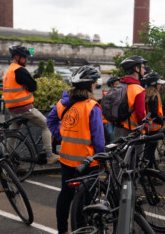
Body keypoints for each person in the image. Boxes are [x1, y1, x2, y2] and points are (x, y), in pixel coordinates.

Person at [46, 66, 105, 234]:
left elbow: (50, 121)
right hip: (87, 161)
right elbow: (98, 139)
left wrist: (62, 134)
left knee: (65, 195)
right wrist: (102, 159)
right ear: (90, 85)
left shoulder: (64, 103)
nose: (96, 85)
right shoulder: (91, 106)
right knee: (84, 199)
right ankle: (81, 229)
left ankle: (62, 230)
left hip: (66, 160)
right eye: (95, 82)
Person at [3, 45, 59, 165]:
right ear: (17, 57)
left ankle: (8, 161)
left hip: (12, 108)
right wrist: (31, 82)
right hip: (24, 108)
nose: (27, 60)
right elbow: (33, 87)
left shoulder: (10, 70)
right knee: (46, 125)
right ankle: (49, 155)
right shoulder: (20, 70)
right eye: (24, 57)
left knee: (13, 134)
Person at [114, 55, 147, 138]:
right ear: (137, 68)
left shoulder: (119, 86)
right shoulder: (138, 89)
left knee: (119, 150)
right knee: (138, 151)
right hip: (132, 131)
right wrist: (146, 127)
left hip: (117, 128)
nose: (144, 70)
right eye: (142, 67)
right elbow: (140, 115)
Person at [142, 72, 165, 169]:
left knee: (147, 152)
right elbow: (154, 113)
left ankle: (146, 173)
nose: (160, 85)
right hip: (154, 128)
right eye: (159, 83)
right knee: (150, 153)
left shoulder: (144, 93)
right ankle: (150, 176)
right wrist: (161, 121)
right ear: (154, 84)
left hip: (146, 128)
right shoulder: (154, 96)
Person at [102, 75, 120, 143]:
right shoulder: (106, 94)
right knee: (111, 134)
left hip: (116, 119)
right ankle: (113, 150)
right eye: (116, 84)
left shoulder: (121, 94)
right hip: (108, 119)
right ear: (111, 85)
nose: (118, 86)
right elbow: (106, 108)